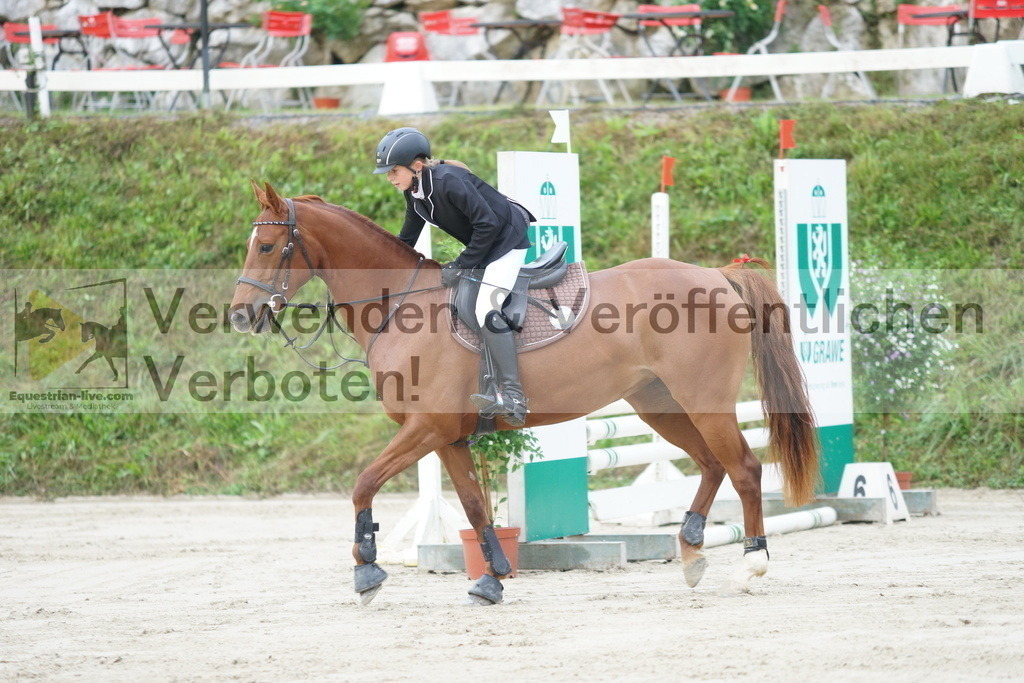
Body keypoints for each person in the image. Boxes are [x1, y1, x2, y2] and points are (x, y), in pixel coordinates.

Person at [373, 127, 534, 428]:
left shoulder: (449, 182)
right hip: (486, 245)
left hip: (507, 240)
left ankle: (513, 395)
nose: (390, 178)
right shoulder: (415, 193)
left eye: (394, 171)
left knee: (486, 309)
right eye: (387, 172)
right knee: (461, 305)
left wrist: (461, 264)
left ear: (416, 166)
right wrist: (380, 270)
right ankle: (487, 382)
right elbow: (406, 239)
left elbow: (487, 224)